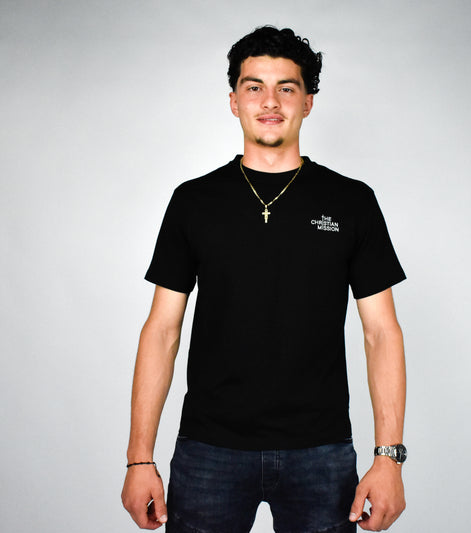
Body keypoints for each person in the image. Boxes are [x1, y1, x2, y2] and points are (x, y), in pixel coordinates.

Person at [122, 26, 407, 533]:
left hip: (320, 451)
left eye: (286, 88)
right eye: (254, 87)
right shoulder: (194, 201)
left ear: (308, 102)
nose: (270, 101)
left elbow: (381, 332)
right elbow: (161, 331)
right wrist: (139, 458)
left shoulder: (351, 201)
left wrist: (389, 458)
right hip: (209, 450)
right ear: (234, 101)